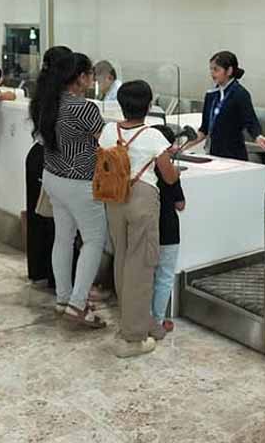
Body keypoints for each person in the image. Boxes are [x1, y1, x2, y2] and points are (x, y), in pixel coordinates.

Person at [98, 80, 179, 357]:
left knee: (121, 258)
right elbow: (169, 177)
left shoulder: (109, 130)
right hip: (142, 198)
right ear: (148, 105)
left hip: (114, 198)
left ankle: (138, 321)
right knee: (142, 264)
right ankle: (133, 337)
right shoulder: (154, 136)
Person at [37, 51, 108, 328]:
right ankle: (78, 304)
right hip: (80, 183)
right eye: (90, 74)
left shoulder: (48, 103)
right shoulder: (84, 108)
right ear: (80, 77)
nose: (92, 79)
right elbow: (107, 141)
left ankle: (64, 299)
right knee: (93, 241)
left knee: (63, 239)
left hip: (53, 177)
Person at [26, 46, 73, 289]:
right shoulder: (61, 97)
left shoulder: (41, 91)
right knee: (60, 223)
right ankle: (60, 279)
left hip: (36, 155)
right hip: (52, 156)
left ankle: (39, 270)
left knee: (39, 217)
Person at [196, 51, 265, 160]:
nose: (212, 73)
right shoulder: (211, 95)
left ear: (229, 71)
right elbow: (204, 130)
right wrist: (182, 147)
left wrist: (258, 137)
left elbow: (250, 121)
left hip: (234, 156)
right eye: (211, 69)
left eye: (216, 69)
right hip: (213, 156)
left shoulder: (240, 94)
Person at [150, 124, 185, 336]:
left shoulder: (139, 167)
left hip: (145, 229)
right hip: (168, 230)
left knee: (145, 275)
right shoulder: (170, 173)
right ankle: (158, 320)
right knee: (164, 277)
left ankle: (141, 316)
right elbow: (180, 204)